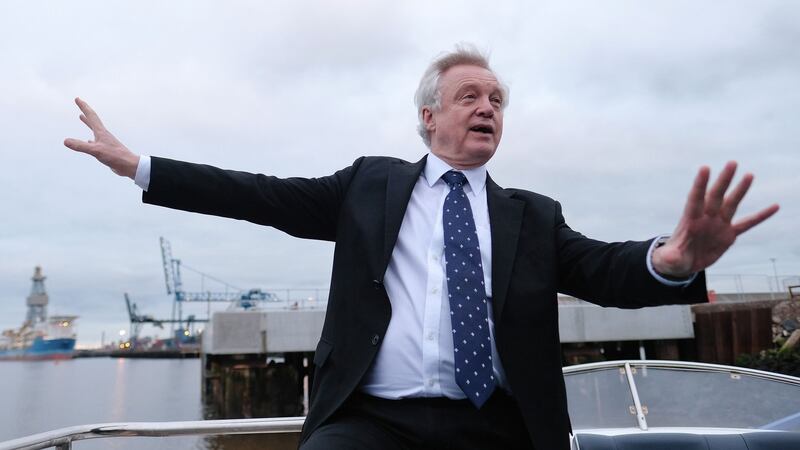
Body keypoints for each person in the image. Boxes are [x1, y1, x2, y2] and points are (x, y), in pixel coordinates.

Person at [64, 45, 779, 450]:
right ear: (429, 116)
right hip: (372, 422)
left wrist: (675, 260)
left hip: (497, 423)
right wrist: (142, 167)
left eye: (498, 99)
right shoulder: (368, 188)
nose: (488, 107)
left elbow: (602, 268)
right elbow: (261, 194)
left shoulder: (531, 215)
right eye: (471, 95)